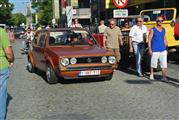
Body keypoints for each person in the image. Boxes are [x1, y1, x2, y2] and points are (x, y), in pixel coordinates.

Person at [0, 27, 15, 120]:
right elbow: (8, 53)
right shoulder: (1, 31)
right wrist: (12, 59)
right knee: (1, 94)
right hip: (1, 66)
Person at [148, 16, 168, 81]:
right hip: (155, 49)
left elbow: (165, 39)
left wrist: (166, 48)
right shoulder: (153, 30)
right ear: (156, 21)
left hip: (163, 49)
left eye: (161, 20)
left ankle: (164, 77)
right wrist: (150, 49)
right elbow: (149, 40)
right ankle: (151, 74)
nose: (160, 22)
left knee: (164, 64)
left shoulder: (164, 29)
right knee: (153, 63)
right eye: (158, 21)